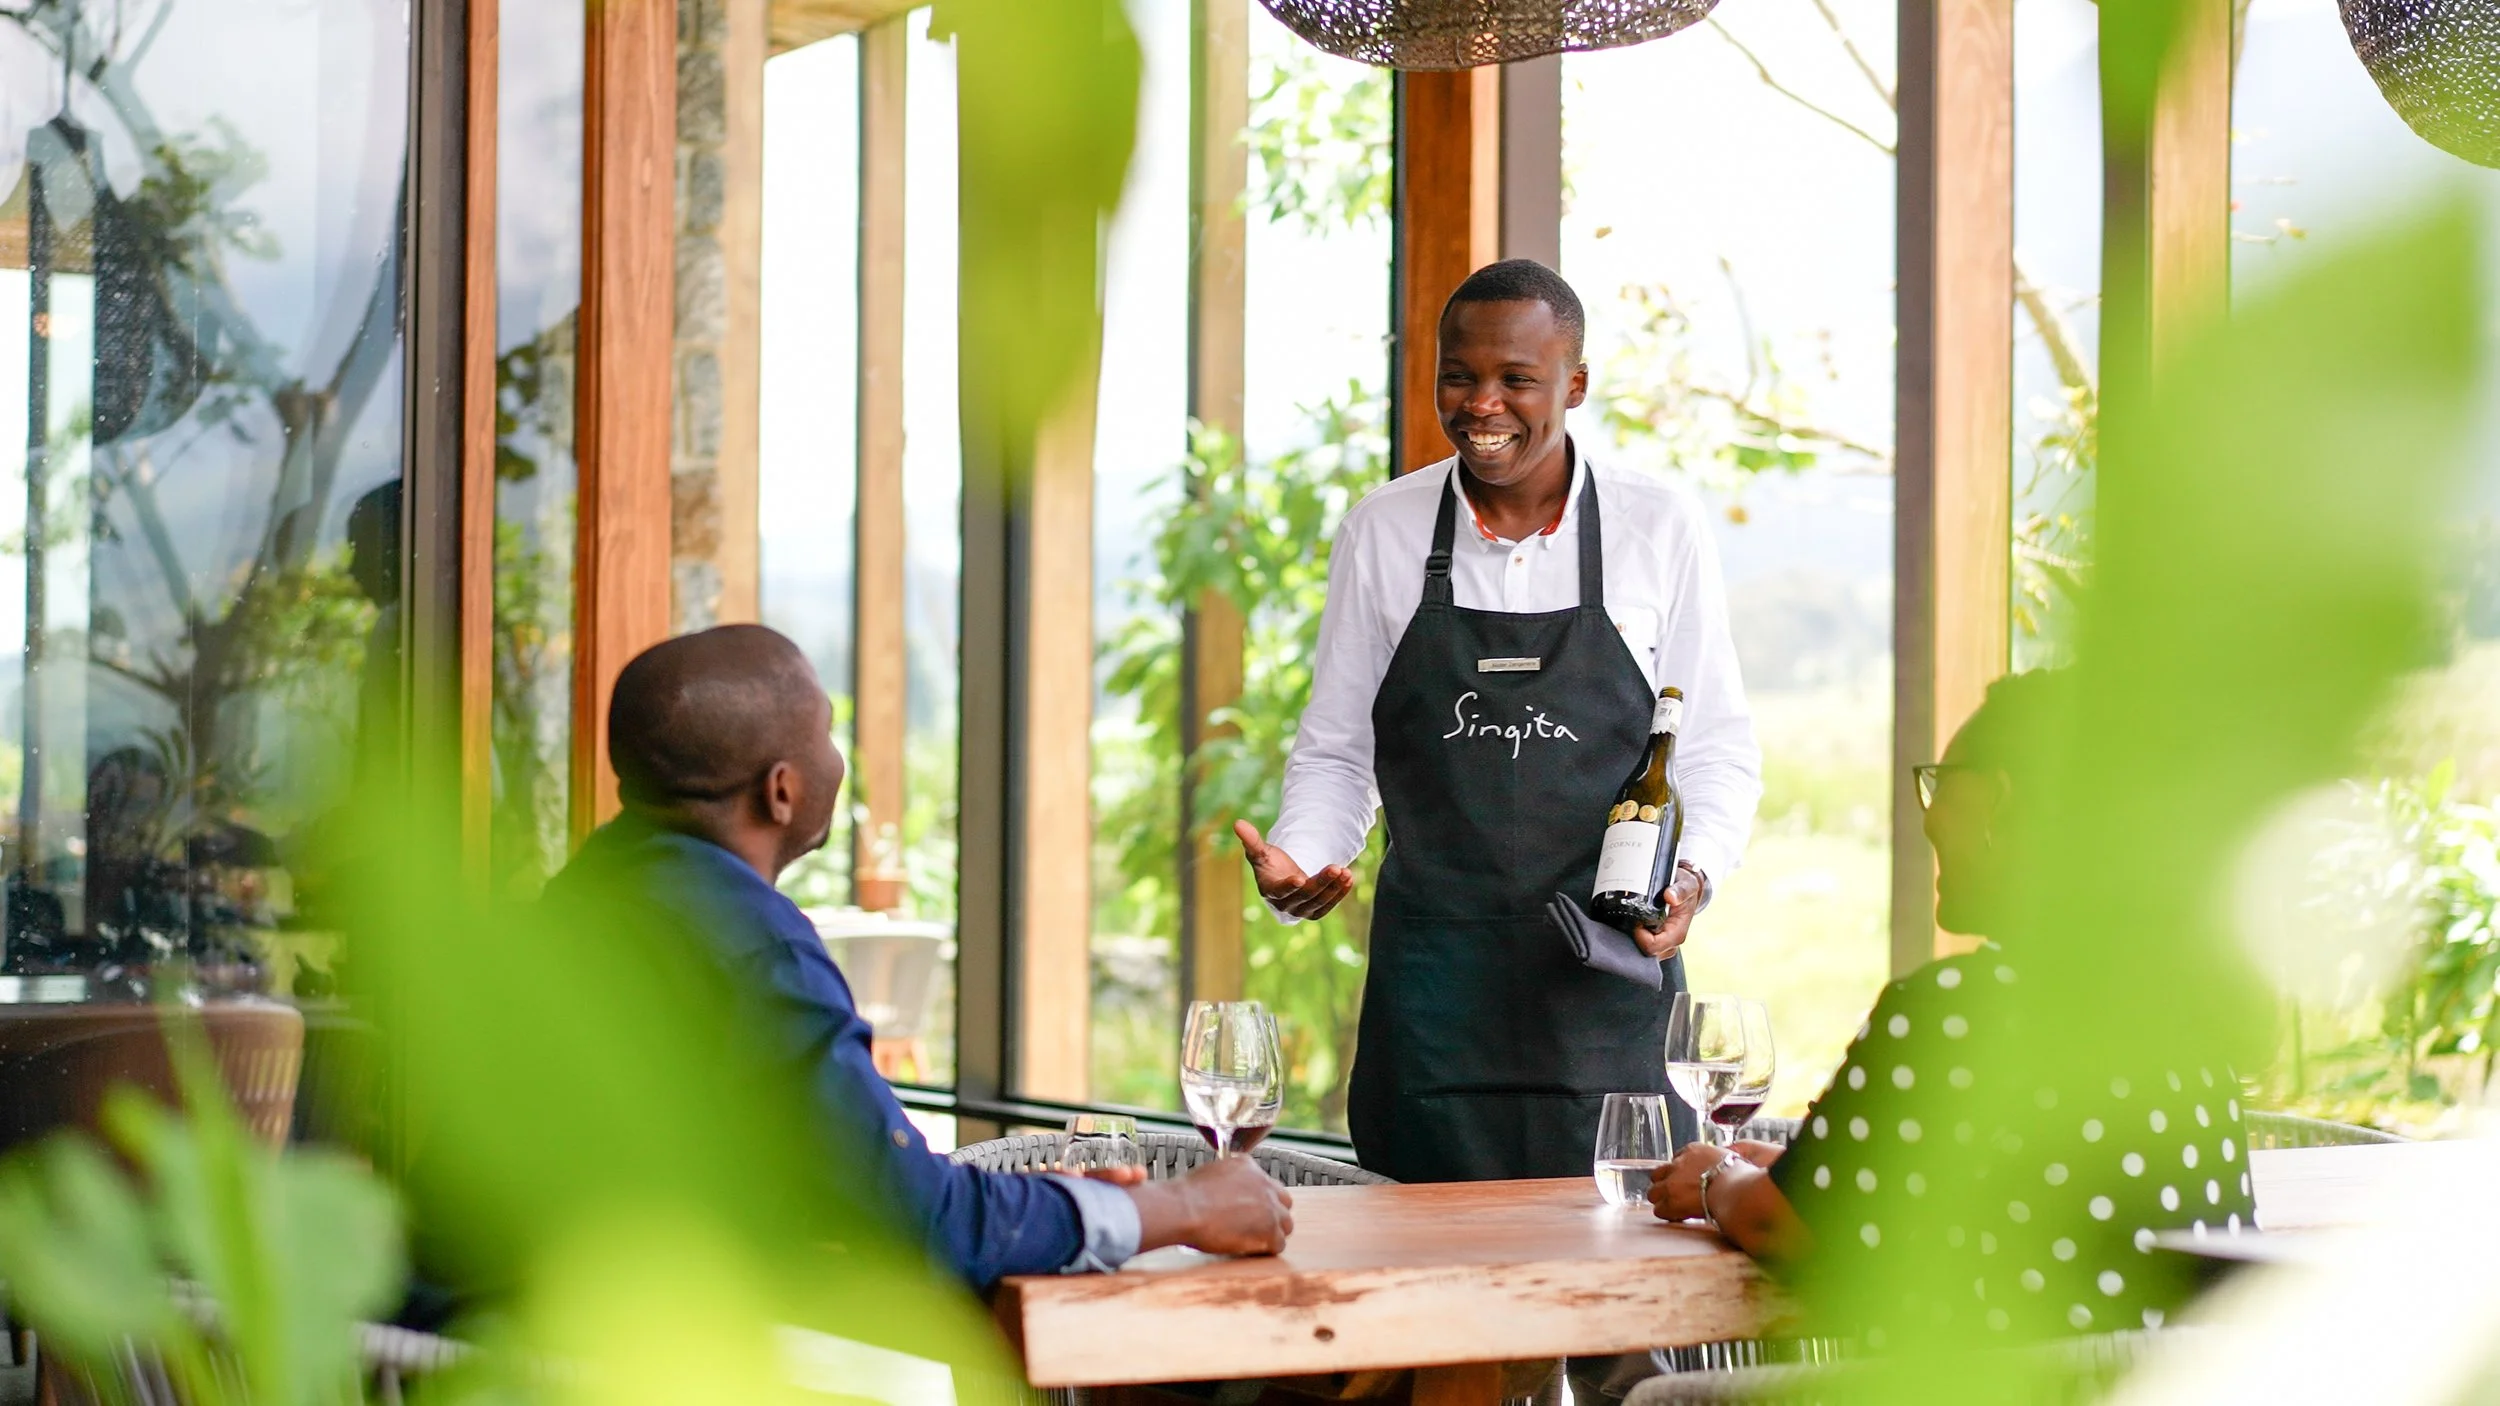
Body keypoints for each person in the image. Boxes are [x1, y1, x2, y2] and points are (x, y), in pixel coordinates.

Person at [545, 624, 1294, 1290]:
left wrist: (1077, 1205)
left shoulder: (586, 895)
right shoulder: (750, 947)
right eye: (829, 735)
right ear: (782, 790)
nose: (840, 759)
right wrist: (1181, 1205)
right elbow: (919, 1222)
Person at [1233, 260, 1762, 1182]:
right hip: (1436, 1011)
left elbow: (1713, 749)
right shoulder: (1384, 531)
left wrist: (1693, 879)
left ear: (1576, 384)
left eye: (1516, 379)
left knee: (1615, 1307)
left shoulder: (1656, 527)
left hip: (1607, 1002)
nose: (1483, 404)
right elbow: (1339, 751)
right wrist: (1307, 855)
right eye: (1458, 376)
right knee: (1429, 1303)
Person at [1647, 669, 2257, 1352]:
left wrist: (1714, 1179)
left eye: (1945, 783)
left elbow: (1781, 1227)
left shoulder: (1949, 1014)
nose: (1930, 813)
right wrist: (1780, 1171)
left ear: (1999, 799)